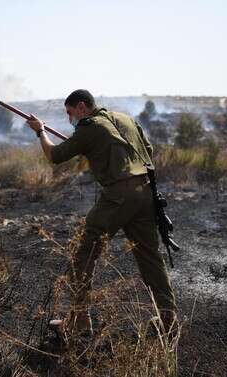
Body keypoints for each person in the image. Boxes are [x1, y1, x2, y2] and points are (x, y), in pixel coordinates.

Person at [26, 89, 176, 334]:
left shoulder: (89, 127)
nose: (69, 119)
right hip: (146, 193)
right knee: (149, 256)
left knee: (83, 255)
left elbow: (54, 155)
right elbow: (147, 150)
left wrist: (40, 131)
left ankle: (79, 320)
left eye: (70, 113)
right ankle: (168, 319)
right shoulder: (125, 119)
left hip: (117, 196)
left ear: (82, 107)